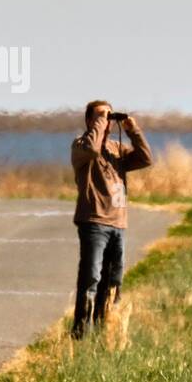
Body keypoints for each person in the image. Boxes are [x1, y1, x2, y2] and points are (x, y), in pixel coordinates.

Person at [71, 101, 152, 338]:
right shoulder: (81, 145)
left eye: (108, 115)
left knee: (113, 280)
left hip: (118, 223)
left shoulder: (118, 149)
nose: (106, 120)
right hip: (93, 221)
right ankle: (81, 331)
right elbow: (94, 149)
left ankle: (103, 328)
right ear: (89, 121)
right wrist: (100, 121)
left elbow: (146, 158)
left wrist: (132, 129)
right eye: (100, 116)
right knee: (91, 277)